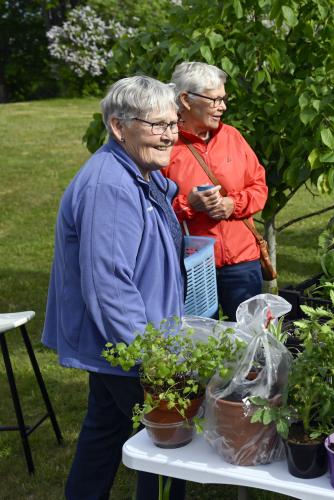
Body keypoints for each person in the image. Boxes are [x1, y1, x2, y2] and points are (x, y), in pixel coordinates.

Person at [42, 76, 186, 500]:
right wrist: (150, 359)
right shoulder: (109, 186)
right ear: (118, 127)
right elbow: (108, 286)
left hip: (124, 341)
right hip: (129, 344)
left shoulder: (137, 171)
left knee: (104, 433)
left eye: (173, 123)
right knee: (168, 442)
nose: (169, 135)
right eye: (157, 125)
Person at [164, 62, 268, 321]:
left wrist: (233, 205)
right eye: (215, 100)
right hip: (193, 265)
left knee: (251, 340)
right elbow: (154, 208)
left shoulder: (232, 137)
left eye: (224, 99)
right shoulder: (165, 144)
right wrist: (189, 204)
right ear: (186, 100)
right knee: (200, 344)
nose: (223, 107)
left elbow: (259, 187)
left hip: (243, 262)